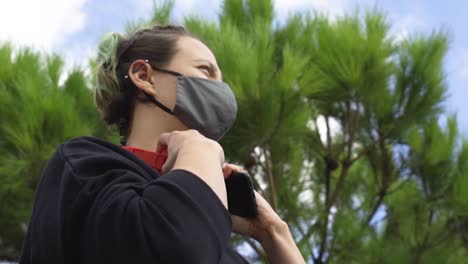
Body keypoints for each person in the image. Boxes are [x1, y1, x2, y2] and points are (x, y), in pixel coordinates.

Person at [19, 25, 304, 264]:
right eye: (206, 71)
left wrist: (274, 233)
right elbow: (175, 249)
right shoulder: (84, 166)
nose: (223, 89)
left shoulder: (221, 245)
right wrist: (200, 151)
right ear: (144, 77)